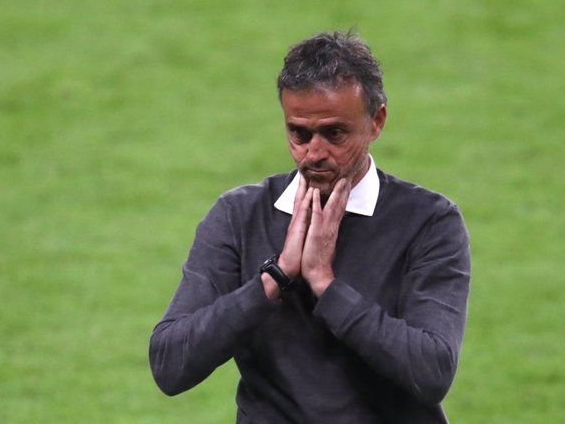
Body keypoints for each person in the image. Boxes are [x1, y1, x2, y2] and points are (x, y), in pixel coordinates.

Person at [149, 31, 471, 424]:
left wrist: (325, 284)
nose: (314, 153)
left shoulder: (429, 222)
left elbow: (431, 371)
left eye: (334, 133)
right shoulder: (239, 215)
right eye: (299, 133)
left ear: (377, 121)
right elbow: (170, 364)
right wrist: (275, 278)